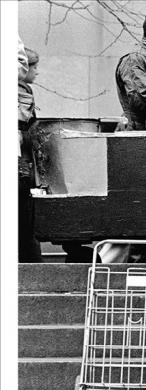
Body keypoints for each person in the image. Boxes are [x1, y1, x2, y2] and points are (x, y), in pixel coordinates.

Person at [18, 44, 42, 262]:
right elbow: (25, 127)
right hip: (22, 167)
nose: (36, 72)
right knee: (26, 225)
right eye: (34, 67)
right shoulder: (22, 90)